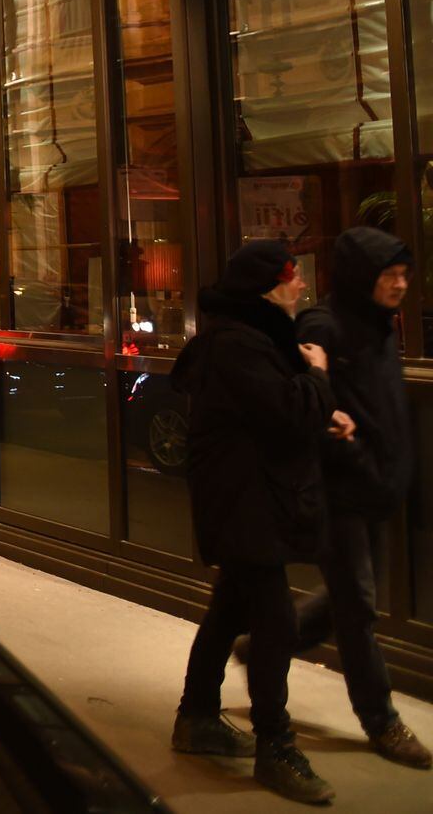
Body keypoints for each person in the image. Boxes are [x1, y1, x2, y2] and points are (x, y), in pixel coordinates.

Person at [170, 240, 343, 804]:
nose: (300, 287)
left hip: (249, 499)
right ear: (271, 287)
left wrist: (323, 406)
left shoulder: (247, 339)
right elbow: (286, 411)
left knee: (228, 609)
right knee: (275, 624)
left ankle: (197, 717)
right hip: (246, 503)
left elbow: (272, 408)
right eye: (293, 278)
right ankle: (276, 746)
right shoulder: (238, 344)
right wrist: (318, 377)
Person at [289, 228, 429, 768]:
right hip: (338, 491)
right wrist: (346, 448)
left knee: (348, 599)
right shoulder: (323, 327)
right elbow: (309, 400)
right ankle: (382, 722)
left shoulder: (378, 326)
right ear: (358, 276)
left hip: (374, 485)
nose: (400, 284)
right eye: (388, 275)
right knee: (360, 607)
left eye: (403, 275)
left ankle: (264, 648)